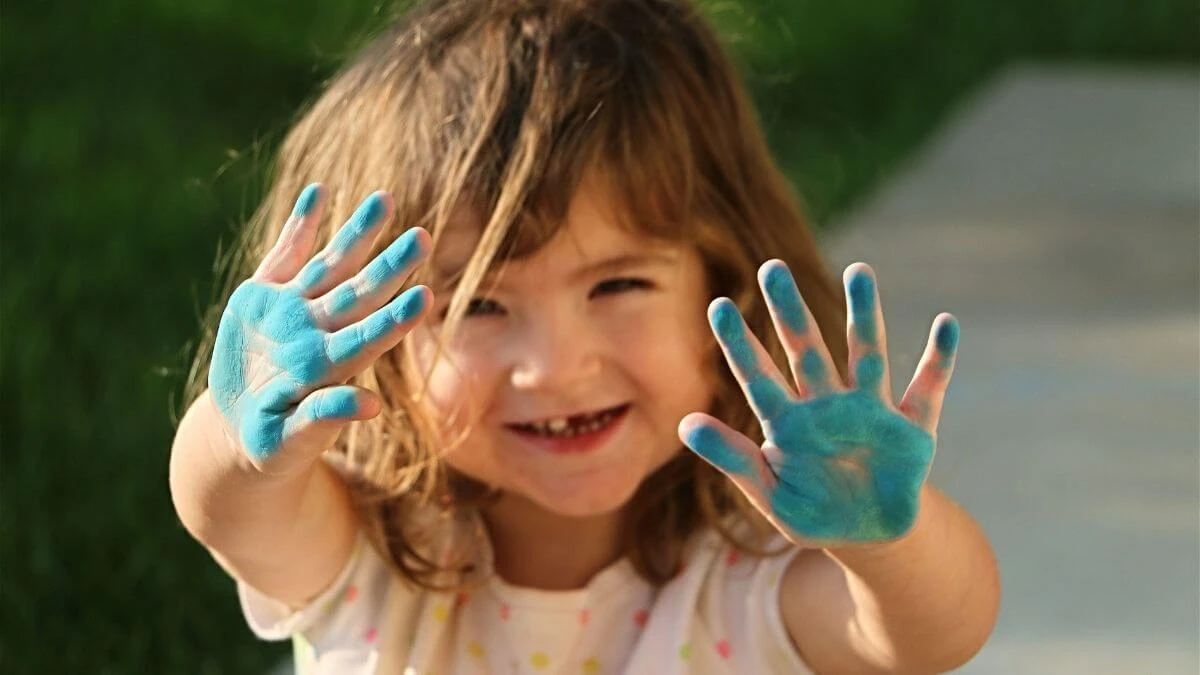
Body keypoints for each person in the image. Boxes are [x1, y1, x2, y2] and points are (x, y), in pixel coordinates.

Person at [169, 0, 1001, 672]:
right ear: (374, 335)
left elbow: (934, 635)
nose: (557, 366)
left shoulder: (753, 575)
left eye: (618, 285)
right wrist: (239, 433)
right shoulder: (366, 552)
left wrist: (888, 543)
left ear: (724, 285)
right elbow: (231, 513)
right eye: (482, 307)